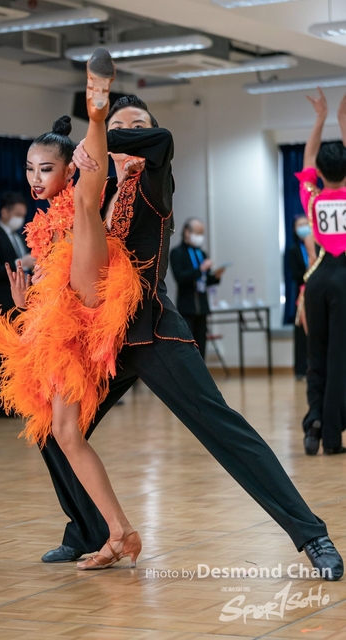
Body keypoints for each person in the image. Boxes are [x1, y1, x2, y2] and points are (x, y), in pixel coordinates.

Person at [36, 93, 343, 581]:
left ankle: (312, 535)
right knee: (52, 432)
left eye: (137, 125)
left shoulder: (155, 177)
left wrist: (98, 131)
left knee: (224, 430)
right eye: (120, 124)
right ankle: (88, 530)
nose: (129, 132)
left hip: (152, 332)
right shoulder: (96, 185)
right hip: (100, 342)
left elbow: (159, 139)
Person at [0, 49, 143, 570]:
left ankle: (97, 110)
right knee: (65, 434)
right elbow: (52, 292)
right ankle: (118, 531)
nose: (34, 177)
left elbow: (92, 209)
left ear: (68, 169)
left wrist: (103, 149)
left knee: (87, 205)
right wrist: (25, 304)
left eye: (45, 168)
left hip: (91, 302)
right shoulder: (43, 226)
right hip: (66, 320)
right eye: (29, 168)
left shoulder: (73, 199)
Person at [295, 88, 346, 457]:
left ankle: (314, 420)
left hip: (317, 279)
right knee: (340, 357)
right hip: (344, 279)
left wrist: (321, 118)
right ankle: (331, 436)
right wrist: (344, 122)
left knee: (317, 356)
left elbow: (308, 157)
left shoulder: (313, 196)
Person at [0, 192, 34, 417]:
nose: (20, 219)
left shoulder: (17, 237)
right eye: (17, 214)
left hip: (18, 304)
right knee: (0, 353)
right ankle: (0, 403)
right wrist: (20, 262)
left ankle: (16, 400)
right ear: (5, 212)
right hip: (2, 302)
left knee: (17, 352)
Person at [170, 218, 224, 359]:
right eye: (197, 233)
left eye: (202, 233)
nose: (200, 237)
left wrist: (216, 276)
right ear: (187, 232)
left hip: (202, 308)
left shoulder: (202, 254)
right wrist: (200, 269)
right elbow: (180, 278)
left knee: (201, 347)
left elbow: (205, 280)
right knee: (188, 348)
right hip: (187, 308)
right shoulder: (177, 253)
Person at [289, 215, 314, 380]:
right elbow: (295, 275)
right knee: (300, 334)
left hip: (316, 292)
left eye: (306, 224)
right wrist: (309, 271)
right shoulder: (293, 250)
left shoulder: (318, 246)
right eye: (300, 225)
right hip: (301, 295)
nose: (304, 227)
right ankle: (300, 370)